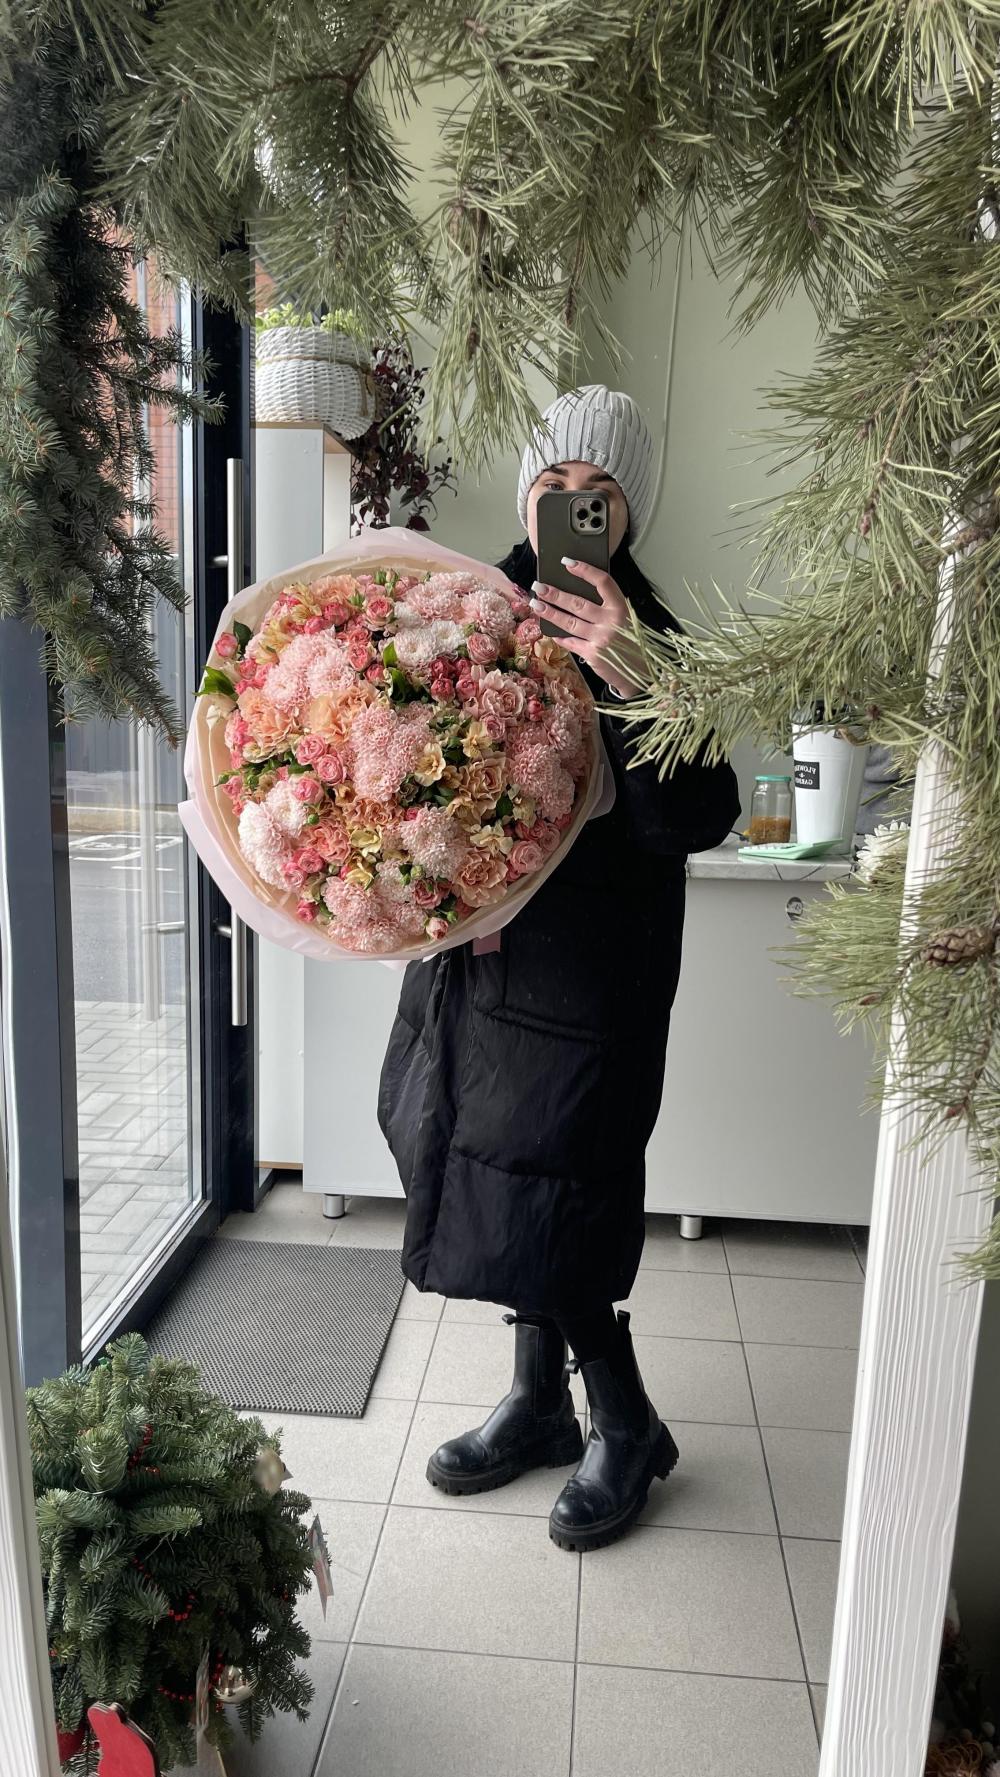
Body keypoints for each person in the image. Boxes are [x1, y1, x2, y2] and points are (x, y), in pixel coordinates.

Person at [378, 385, 741, 1551]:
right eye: (554, 485)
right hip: (482, 965)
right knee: (487, 1167)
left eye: (600, 492)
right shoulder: (470, 606)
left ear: (630, 513)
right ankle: (540, 1403)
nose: (573, 506)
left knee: (559, 1187)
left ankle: (624, 1421)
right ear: (525, 493)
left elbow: (698, 817)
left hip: (594, 981)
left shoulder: (656, 633)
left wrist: (637, 679)